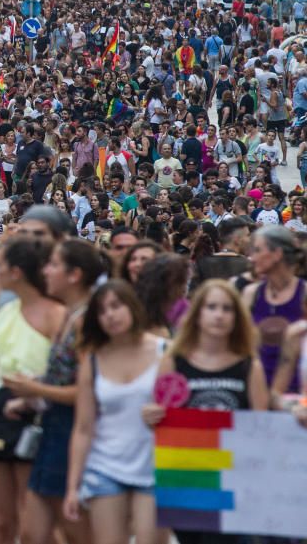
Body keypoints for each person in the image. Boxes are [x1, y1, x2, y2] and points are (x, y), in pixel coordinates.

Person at [142, 280, 269, 544]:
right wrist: (150, 416)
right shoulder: (174, 361)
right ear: (198, 313)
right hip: (187, 481)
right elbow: (160, 419)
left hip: (232, 481)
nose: (219, 315)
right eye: (211, 307)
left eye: (227, 308)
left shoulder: (249, 367)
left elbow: (261, 428)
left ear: (237, 317)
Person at [10, 239, 104, 544]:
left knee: (76, 531)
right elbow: (63, 378)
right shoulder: (69, 317)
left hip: (72, 430)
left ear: (74, 274)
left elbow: (88, 392)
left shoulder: (85, 322)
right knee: (32, 533)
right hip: (53, 427)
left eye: (52, 265)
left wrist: (34, 388)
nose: (45, 271)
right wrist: (31, 394)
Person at [0, 238, 64, 544]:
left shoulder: (57, 315)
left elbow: (67, 372)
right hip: (0, 410)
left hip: (39, 413)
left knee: (34, 522)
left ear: (16, 272)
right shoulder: (5, 314)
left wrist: (35, 390)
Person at [64, 281, 164, 544]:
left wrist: (166, 413)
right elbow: (84, 428)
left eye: (116, 306)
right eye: (102, 310)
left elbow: (187, 403)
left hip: (156, 465)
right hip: (104, 465)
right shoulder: (93, 361)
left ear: (132, 306)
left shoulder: (165, 352)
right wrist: (73, 487)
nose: (110, 315)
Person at [242, 226, 307, 392]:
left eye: (257, 250)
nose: (252, 258)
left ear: (277, 254)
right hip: (254, 391)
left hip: (297, 396)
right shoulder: (251, 294)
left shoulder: (304, 294)